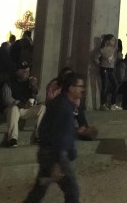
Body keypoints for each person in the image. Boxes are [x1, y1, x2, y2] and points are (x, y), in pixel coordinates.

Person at [24, 72, 85, 203]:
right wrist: (57, 163)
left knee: (39, 189)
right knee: (72, 191)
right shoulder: (62, 107)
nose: (82, 89)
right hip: (55, 155)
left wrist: (77, 132)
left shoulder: (61, 104)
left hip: (48, 153)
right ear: (71, 88)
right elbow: (58, 136)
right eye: (79, 86)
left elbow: (56, 130)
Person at [2, 62, 46, 147]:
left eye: (28, 71)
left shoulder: (30, 82)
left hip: (27, 109)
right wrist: (20, 104)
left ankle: (39, 136)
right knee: (14, 108)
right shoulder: (9, 83)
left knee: (42, 107)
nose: (27, 73)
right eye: (24, 71)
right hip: (14, 109)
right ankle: (12, 138)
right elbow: (7, 100)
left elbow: (40, 98)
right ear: (17, 72)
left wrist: (35, 87)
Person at [98, 34, 121, 111]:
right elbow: (95, 57)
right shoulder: (103, 49)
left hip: (111, 69)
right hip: (104, 68)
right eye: (112, 40)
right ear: (107, 41)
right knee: (105, 86)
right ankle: (103, 104)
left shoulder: (114, 49)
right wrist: (100, 64)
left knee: (116, 85)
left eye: (114, 40)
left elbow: (117, 58)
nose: (114, 42)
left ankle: (113, 104)